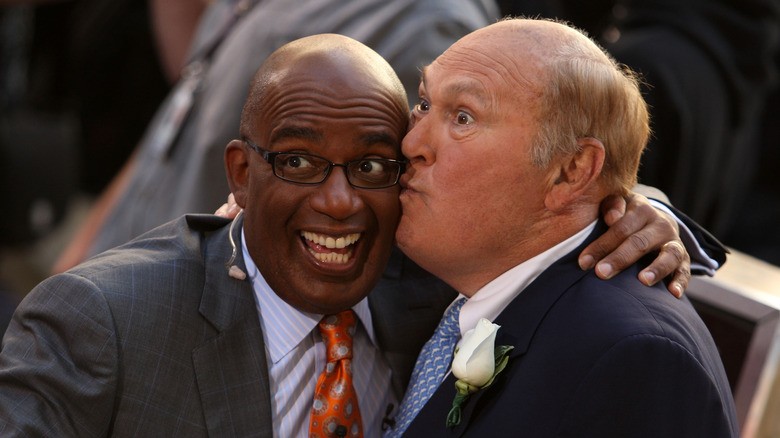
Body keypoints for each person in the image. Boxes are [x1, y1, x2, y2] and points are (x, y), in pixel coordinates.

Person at [0, 34, 714, 437]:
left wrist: (632, 206)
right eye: (300, 164)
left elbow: (547, 234)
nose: (339, 201)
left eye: (373, 163)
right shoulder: (107, 322)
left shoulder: (429, 287)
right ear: (243, 176)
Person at [385, 18, 737, 437]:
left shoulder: (632, 358)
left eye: (463, 117)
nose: (411, 143)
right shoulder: (464, 265)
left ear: (571, 171)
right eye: (424, 103)